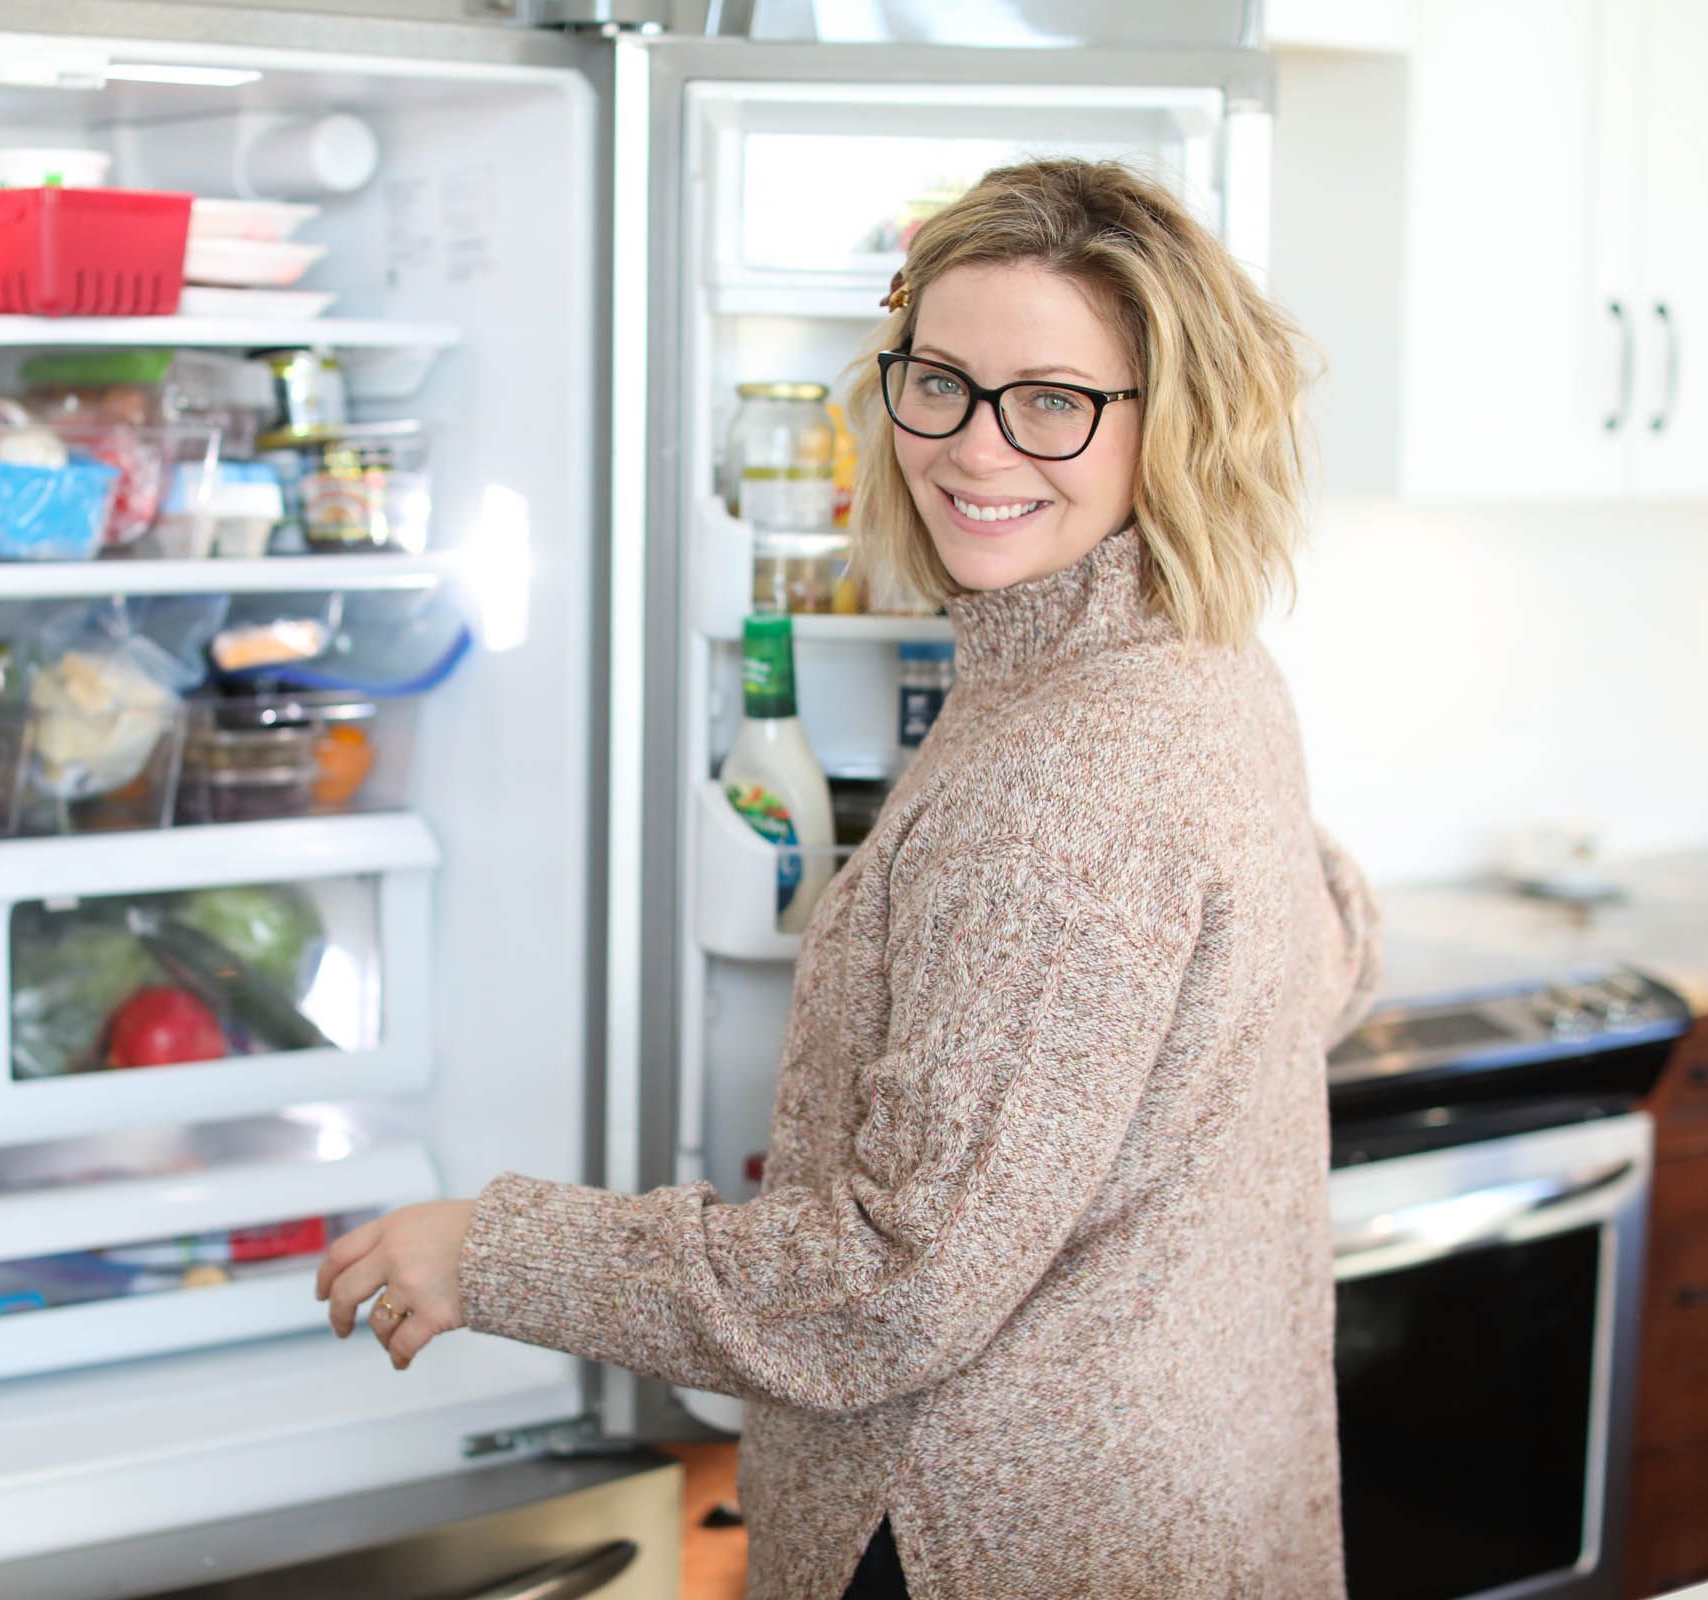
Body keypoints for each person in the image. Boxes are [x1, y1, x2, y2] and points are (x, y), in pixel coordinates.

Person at [316, 158, 1382, 1599]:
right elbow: (1324, 943)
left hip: (983, 1535)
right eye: (937, 379)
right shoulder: (1200, 666)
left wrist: (497, 1251)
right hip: (1179, 1489)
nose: (975, 448)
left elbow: (894, 1289)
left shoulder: (1070, 778)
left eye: (1054, 401)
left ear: (1168, 423)